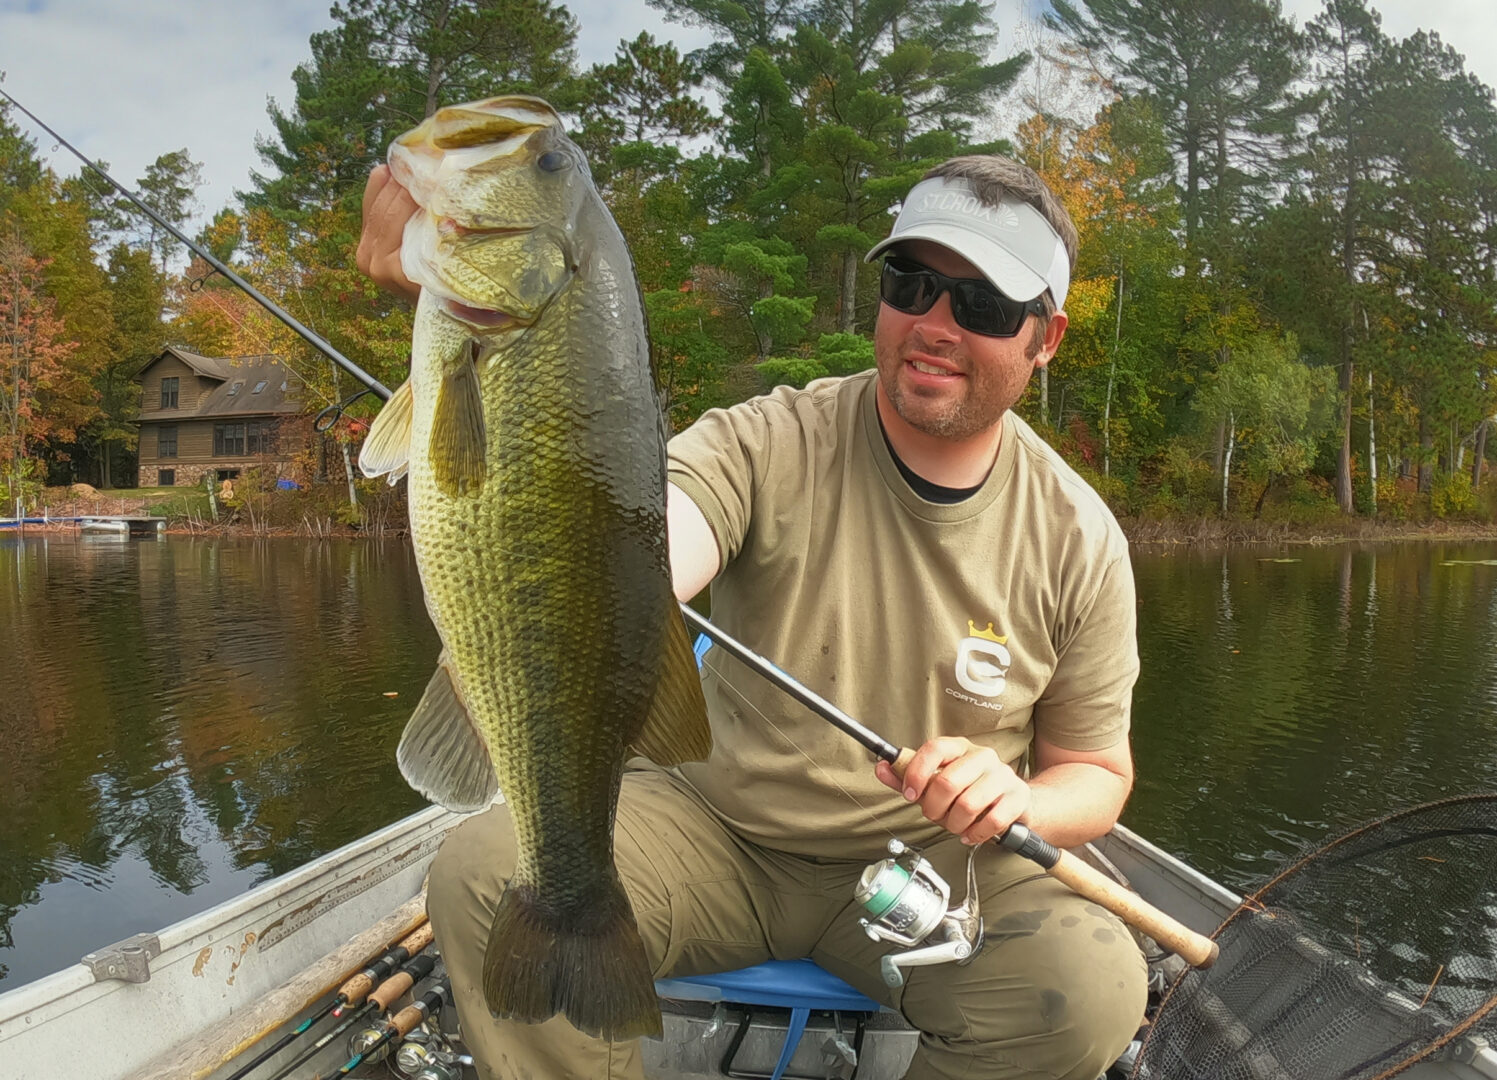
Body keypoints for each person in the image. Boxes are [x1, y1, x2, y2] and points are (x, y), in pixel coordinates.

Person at [358, 152, 1147, 1080]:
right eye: (912, 284)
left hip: (929, 866)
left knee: (1087, 990)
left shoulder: (1076, 536)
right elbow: (650, 549)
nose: (935, 325)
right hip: (712, 829)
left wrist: (1019, 799)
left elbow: (1094, 773)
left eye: (981, 305)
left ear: (1045, 338)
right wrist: (468, 305)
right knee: (485, 878)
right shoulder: (767, 437)